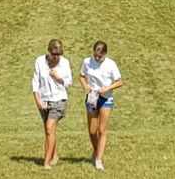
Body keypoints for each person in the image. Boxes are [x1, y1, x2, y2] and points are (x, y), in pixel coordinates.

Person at [79, 41, 123, 170]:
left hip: (105, 98)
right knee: (92, 131)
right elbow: (81, 76)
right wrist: (85, 85)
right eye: (96, 55)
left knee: (101, 130)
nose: (97, 58)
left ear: (105, 54)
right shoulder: (87, 61)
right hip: (92, 97)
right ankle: (96, 149)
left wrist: (107, 88)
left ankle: (99, 159)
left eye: (100, 56)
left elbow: (120, 81)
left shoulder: (110, 64)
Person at [31, 38, 72, 170]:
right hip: (44, 100)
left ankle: (46, 162)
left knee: (49, 128)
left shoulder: (64, 63)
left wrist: (58, 79)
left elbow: (69, 82)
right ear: (48, 52)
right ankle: (54, 156)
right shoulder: (40, 61)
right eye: (53, 54)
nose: (56, 57)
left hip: (58, 99)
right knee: (49, 131)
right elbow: (35, 82)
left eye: (58, 54)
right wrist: (37, 100)